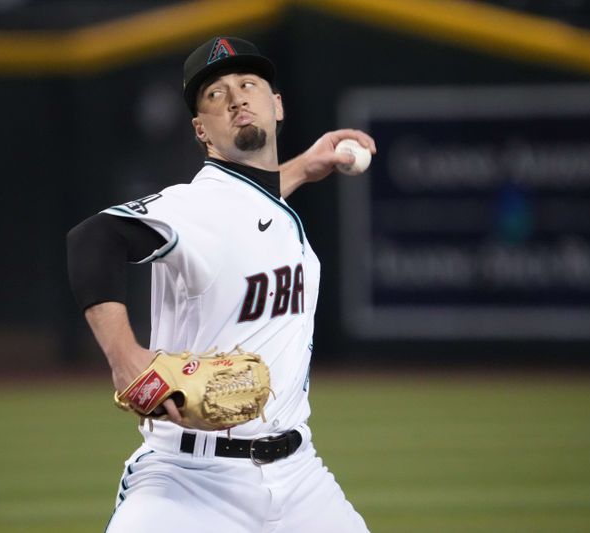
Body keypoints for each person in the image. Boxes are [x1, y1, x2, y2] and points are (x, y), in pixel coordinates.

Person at [67, 36, 376, 533]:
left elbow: (250, 208)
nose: (235, 97)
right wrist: (125, 356)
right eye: (215, 94)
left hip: (300, 478)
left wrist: (302, 167)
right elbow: (92, 239)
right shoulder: (193, 205)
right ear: (201, 130)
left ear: (276, 106)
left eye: (248, 84)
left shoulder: (269, 210)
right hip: (190, 479)